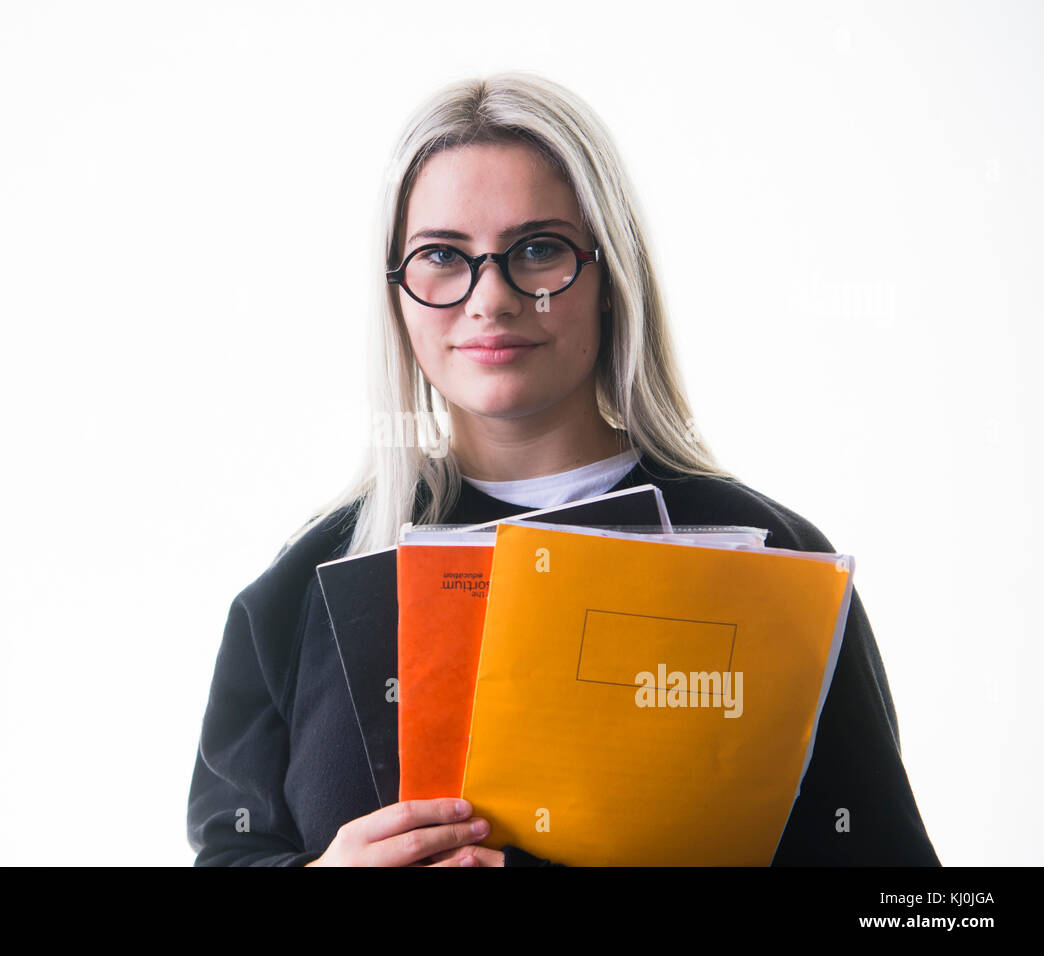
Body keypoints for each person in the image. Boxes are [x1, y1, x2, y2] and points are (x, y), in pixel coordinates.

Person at [186, 71, 939, 867]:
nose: (492, 298)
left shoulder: (773, 559)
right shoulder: (305, 582)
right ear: (396, 295)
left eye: (538, 250)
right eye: (442, 255)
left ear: (611, 273)